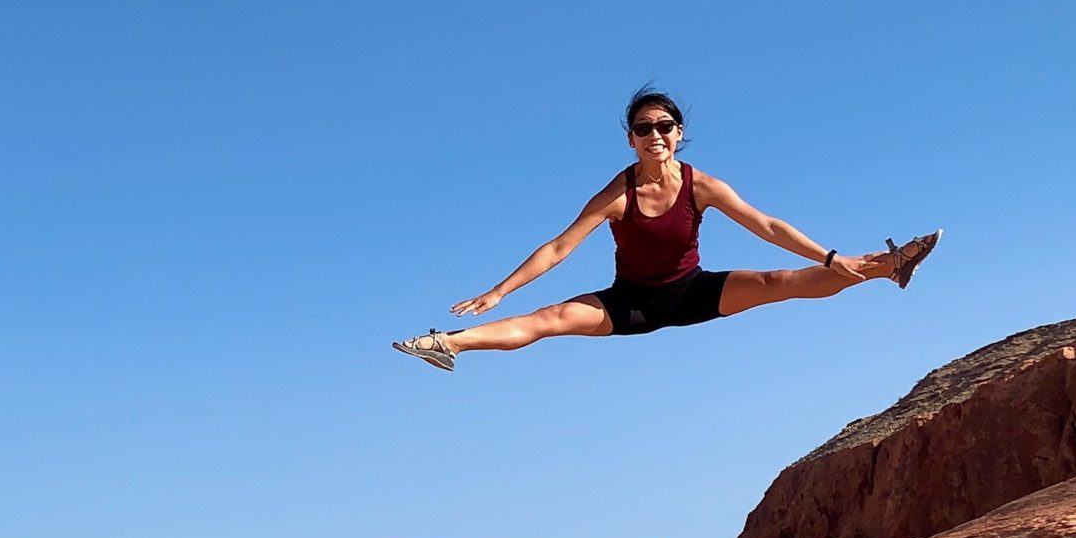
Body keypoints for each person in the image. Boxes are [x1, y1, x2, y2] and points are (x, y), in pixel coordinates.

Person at [391, 88, 939, 370]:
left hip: (692, 291)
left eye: (664, 126)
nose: (655, 134)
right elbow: (558, 247)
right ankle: (446, 344)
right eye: (643, 128)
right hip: (628, 303)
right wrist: (498, 291)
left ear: (679, 134)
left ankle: (889, 266)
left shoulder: (703, 186)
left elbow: (766, 224)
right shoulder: (617, 194)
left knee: (782, 282)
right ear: (630, 139)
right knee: (549, 319)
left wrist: (828, 255)